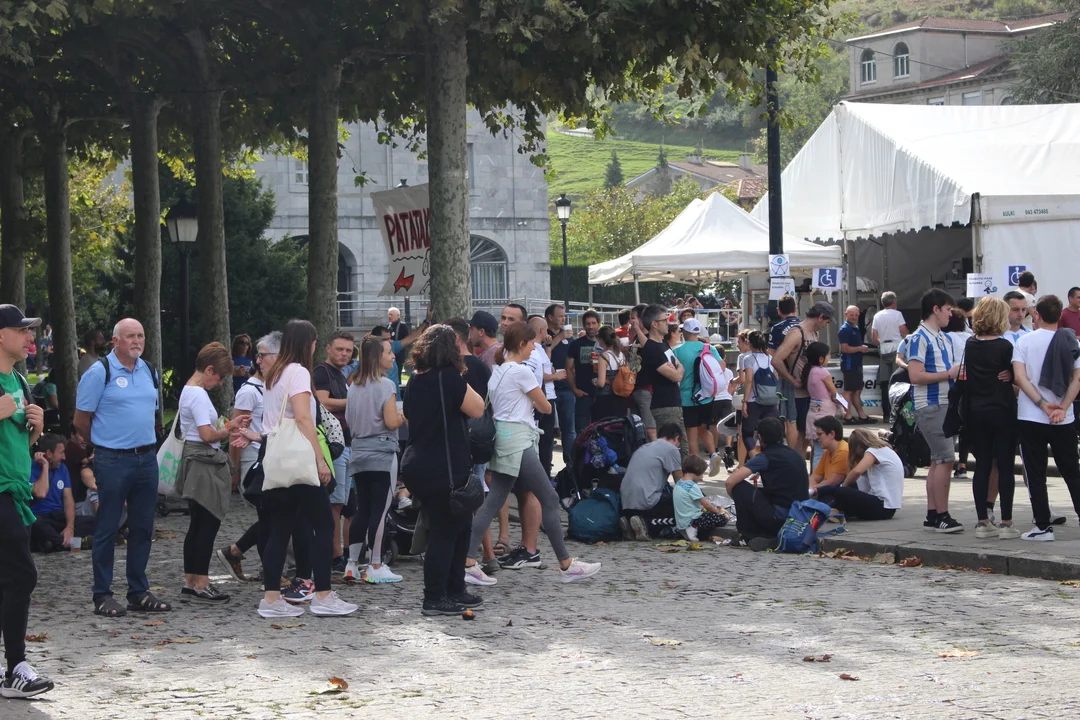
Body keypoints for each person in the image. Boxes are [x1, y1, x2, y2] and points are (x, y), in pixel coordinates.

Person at [463, 322, 600, 584]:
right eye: (532, 346)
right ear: (522, 344)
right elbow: (546, 407)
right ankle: (566, 564)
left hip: (504, 438)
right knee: (548, 497)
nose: (533, 351)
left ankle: (469, 561)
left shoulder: (499, 370)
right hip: (518, 440)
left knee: (493, 502)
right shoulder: (521, 372)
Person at [253, 320, 357, 618]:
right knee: (323, 525)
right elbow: (302, 418)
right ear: (308, 344)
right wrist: (320, 459)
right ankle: (323, 593)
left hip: (276, 457)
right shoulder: (298, 372)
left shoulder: (273, 374)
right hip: (299, 458)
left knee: (280, 528)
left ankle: (271, 598)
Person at [75, 318, 169, 617]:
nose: (137, 341)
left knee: (142, 527)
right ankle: (102, 594)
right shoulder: (99, 372)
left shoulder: (149, 370)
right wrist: (102, 444)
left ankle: (138, 591)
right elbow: (81, 420)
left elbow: (150, 412)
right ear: (115, 341)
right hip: (113, 459)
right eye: (130, 336)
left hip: (146, 457)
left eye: (140, 335)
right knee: (108, 526)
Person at [400, 325, 487, 615]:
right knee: (445, 531)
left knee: (459, 526)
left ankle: (455, 589)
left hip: (418, 463)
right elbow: (477, 408)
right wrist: (459, 374)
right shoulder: (449, 377)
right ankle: (435, 597)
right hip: (445, 466)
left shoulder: (415, 380)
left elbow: (409, 416)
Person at [0, 304, 53, 698]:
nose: (29, 337)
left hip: (17, 491)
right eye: (21, 331)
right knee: (23, 574)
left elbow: (19, 443)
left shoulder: (19, 379)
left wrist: (35, 431)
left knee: (8, 578)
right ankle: (16, 667)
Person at [175, 342, 249, 604]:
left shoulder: (188, 390)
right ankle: (202, 583)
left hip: (195, 461)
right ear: (209, 370)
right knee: (208, 524)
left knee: (197, 525)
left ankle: (190, 581)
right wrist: (228, 430)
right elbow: (207, 435)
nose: (219, 383)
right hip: (203, 463)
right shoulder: (197, 394)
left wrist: (228, 425)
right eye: (219, 377)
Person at [1013, 295, 1080, 542]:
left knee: (1035, 472)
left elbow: (1020, 378)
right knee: (1072, 471)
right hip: (1064, 417)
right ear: (1060, 315)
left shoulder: (1024, 341)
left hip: (1031, 415)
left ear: (1037, 315)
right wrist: (1062, 407)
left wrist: (1042, 404)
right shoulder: (1071, 341)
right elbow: (1077, 379)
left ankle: (1042, 526)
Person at [216, 331, 280, 583]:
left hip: (268, 457)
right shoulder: (249, 391)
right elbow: (236, 430)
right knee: (269, 515)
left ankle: (239, 552)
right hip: (251, 459)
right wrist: (235, 469)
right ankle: (265, 567)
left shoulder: (271, 387)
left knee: (270, 516)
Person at [343, 335, 405, 583]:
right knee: (380, 509)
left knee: (363, 509)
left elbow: (349, 421)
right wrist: (403, 415)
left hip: (358, 452)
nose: (393, 356)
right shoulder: (386, 385)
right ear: (378, 357)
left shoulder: (354, 387)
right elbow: (391, 421)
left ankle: (351, 563)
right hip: (382, 452)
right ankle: (375, 563)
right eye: (389, 352)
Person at [963, 297, 1020, 540]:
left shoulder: (970, 344)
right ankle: (1006, 522)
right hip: (1002, 409)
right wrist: (1010, 374)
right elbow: (1014, 375)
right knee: (1005, 465)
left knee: (982, 466)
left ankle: (983, 521)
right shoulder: (1005, 346)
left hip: (976, 410)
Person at [907, 288, 962, 534]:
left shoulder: (943, 337)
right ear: (935, 309)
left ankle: (934, 514)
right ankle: (941, 515)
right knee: (945, 459)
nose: (951, 314)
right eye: (948, 309)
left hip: (943, 404)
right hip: (931, 404)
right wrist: (948, 374)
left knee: (938, 459)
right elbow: (915, 376)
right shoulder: (919, 338)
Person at [724, 417, 809, 550]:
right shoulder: (796, 455)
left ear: (759, 437)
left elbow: (730, 482)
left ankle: (748, 536)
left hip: (778, 517)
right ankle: (770, 536)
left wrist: (740, 501)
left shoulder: (765, 457)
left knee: (739, 487)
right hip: (799, 516)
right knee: (759, 493)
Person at [314, 330, 356, 573]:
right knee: (334, 504)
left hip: (346, 443)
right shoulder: (322, 372)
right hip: (333, 445)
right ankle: (334, 555)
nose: (344, 354)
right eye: (340, 349)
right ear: (328, 348)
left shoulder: (340, 374)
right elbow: (322, 402)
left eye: (348, 350)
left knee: (341, 503)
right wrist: (354, 402)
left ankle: (337, 553)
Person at [772, 301, 834, 455]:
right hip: (798, 394)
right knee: (802, 433)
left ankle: (802, 465)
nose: (825, 326)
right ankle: (795, 463)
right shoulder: (796, 333)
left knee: (810, 436)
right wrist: (792, 380)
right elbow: (776, 360)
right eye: (826, 322)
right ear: (820, 317)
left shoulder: (814, 334)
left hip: (811, 393)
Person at [812, 428, 903, 521]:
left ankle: (828, 509)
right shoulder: (884, 450)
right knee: (843, 488)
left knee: (842, 492)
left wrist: (843, 486)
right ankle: (830, 508)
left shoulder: (874, 451)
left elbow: (857, 472)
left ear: (858, 447)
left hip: (883, 507)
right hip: (887, 507)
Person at [28, 434, 96, 553]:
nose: (64, 457)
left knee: (96, 522)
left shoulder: (62, 468)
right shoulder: (30, 468)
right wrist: (45, 466)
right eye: (61, 453)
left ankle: (53, 544)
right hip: (40, 517)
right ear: (49, 453)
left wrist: (70, 527)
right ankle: (74, 544)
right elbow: (40, 493)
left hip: (58, 517)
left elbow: (68, 500)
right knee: (36, 525)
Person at [673, 318, 723, 474]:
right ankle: (713, 454)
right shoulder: (709, 348)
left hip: (688, 399)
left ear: (684, 332)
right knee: (704, 429)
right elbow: (721, 367)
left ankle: (696, 470)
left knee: (691, 435)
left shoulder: (678, 350)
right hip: (707, 397)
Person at [620, 423, 683, 539]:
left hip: (626, 504)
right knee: (683, 504)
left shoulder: (643, 448)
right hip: (646, 503)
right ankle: (647, 524)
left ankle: (630, 523)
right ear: (677, 438)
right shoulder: (671, 449)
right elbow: (681, 484)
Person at [637, 303, 686, 451]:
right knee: (673, 450)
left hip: (674, 403)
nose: (668, 323)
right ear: (654, 324)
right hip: (664, 406)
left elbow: (680, 366)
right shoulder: (652, 348)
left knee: (682, 449)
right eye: (664, 320)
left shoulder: (663, 344)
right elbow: (677, 376)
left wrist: (677, 369)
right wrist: (677, 370)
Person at [525, 315, 560, 475]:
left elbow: (543, 369)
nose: (547, 334)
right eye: (546, 330)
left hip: (546, 397)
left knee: (546, 441)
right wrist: (555, 376)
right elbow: (536, 377)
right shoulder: (533, 350)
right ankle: (542, 475)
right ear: (541, 331)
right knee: (543, 442)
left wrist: (548, 347)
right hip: (541, 400)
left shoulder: (538, 349)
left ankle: (544, 473)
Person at [738, 330, 778, 458]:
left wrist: (744, 401)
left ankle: (756, 458)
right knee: (769, 434)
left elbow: (749, 380)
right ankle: (769, 459)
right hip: (771, 400)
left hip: (753, 401)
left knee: (747, 433)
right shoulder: (770, 359)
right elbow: (776, 378)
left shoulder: (748, 359)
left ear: (749, 343)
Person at [543, 304, 576, 463]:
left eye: (564, 316)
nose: (564, 319)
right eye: (560, 316)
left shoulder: (568, 337)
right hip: (550, 390)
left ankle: (570, 465)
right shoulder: (544, 335)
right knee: (549, 431)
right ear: (550, 317)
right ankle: (546, 465)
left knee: (569, 429)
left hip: (567, 388)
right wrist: (560, 337)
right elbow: (544, 353)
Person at [945, 309, 974, 478]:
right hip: (970, 383)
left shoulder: (946, 338)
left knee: (952, 422)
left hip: (954, 382)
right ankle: (962, 464)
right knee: (965, 426)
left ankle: (947, 459)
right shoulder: (970, 337)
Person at [872, 291, 909, 424]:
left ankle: (886, 414)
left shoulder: (877, 315)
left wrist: (881, 343)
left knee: (884, 383)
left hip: (883, 349)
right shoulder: (897, 314)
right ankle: (897, 414)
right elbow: (903, 332)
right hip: (896, 347)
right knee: (897, 382)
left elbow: (874, 337)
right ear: (894, 302)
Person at [802, 341, 841, 470]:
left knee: (817, 450)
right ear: (820, 358)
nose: (829, 357)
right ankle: (821, 476)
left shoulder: (809, 371)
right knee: (822, 452)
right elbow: (834, 393)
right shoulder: (823, 372)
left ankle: (815, 476)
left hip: (813, 411)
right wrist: (844, 406)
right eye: (828, 355)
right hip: (825, 413)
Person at [768, 295, 801, 447]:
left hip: (786, 376)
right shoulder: (804, 326)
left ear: (778, 311)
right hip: (806, 375)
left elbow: (772, 354)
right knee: (807, 419)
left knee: (790, 419)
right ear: (795, 308)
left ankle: (792, 453)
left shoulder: (777, 328)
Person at [673, 454, 729, 541]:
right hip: (692, 520)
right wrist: (717, 512)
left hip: (681, 522)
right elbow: (707, 505)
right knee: (721, 519)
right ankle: (692, 528)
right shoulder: (692, 486)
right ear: (697, 470)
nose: (702, 477)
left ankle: (686, 531)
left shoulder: (678, 484)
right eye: (702, 474)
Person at [566, 310, 601, 433]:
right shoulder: (575, 344)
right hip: (583, 394)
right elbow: (569, 368)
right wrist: (574, 389)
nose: (590, 326)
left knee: (602, 430)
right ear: (583, 325)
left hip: (603, 394)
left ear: (599, 324)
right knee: (582, 432)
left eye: (593, 323)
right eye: (588, 323)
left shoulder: (606, 343)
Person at [838, 305, 871, 424]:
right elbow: (845, 349)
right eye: (851, 315)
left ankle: (862, 415)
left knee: (856, 391)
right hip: (849, 365)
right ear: (845, 314)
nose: (854, 317)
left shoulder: (854, 327)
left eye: (856, 315)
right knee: (848, 391)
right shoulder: (845, 329)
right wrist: (860, 348)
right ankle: (847, 415)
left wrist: (860, 348)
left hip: (856, 364)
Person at [593, 325, 628, 421]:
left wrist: (594, 381)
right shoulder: (621, 355)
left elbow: (601, 383)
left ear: (601, 340)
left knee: (605, 426)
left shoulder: (604, 356)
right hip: (621, 397)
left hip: (606, 399)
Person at [807, 416, 848, 491]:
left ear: (832, 434)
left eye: (820, 434)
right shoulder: (827, 452)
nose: (817, 438)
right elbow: (814, 477)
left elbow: (833, 482)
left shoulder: (843, 451)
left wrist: (812, 490)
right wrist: (810, 489)